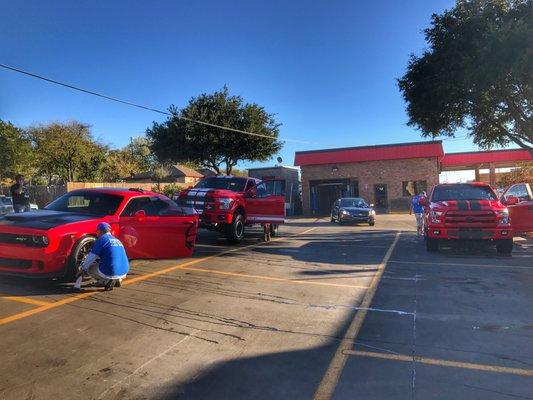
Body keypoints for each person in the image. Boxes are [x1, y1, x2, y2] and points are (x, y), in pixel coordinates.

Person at [73, 222, 129, 291]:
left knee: (88, 268)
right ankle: (117, 279)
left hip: (111, 271)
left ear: (99, 231)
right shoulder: (117, 240)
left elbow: (91, 257)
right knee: (109, 261)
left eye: (97, 232)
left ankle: (106, 280)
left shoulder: (102, 239)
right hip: (124, 271)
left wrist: (83, 268)